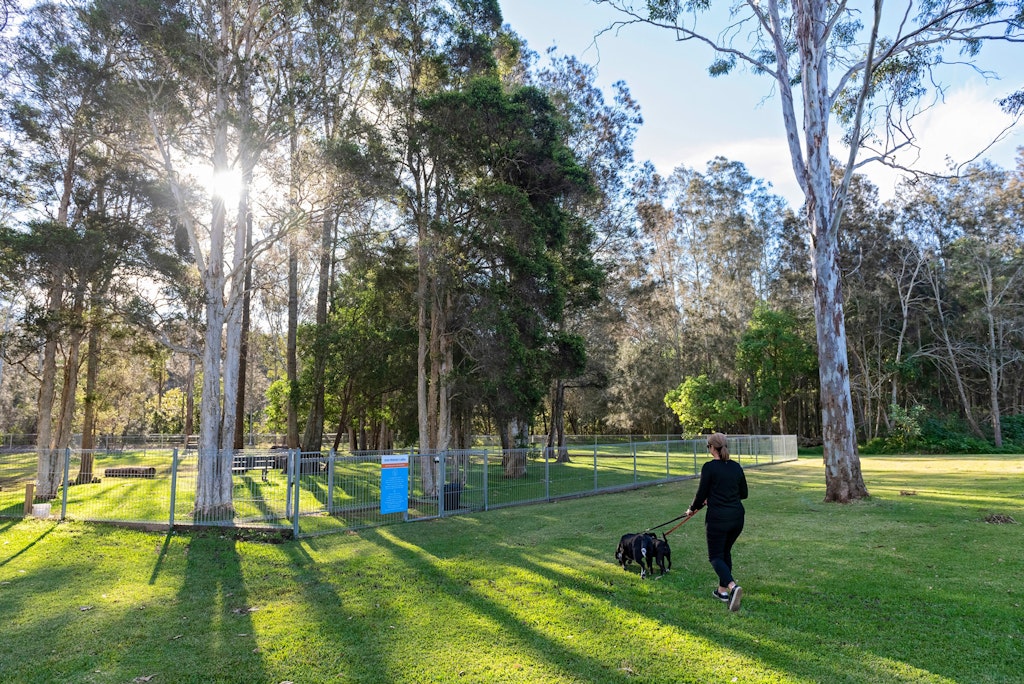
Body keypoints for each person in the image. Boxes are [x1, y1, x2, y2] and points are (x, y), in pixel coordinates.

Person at [685, 432, 748, 612]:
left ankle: (732, 587)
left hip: (718, 519)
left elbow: (701, 494)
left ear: (712, 448)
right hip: (737, 518)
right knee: (724, 552)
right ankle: (722, 592)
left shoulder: (709, 467)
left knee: (715, 556)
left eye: (708, 446)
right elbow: (744, 494)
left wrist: (692, 509)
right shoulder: (736, 467)